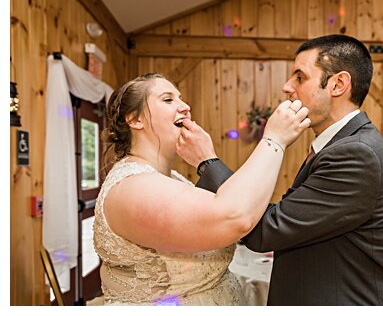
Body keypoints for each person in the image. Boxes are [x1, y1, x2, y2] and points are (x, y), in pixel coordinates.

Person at [176, 35, 383, 305]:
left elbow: (267, 230)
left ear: (338, 84)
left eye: (300, 77)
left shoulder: (357, 154)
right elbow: (292, 216)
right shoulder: (342, 146)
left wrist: (207, 162)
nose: (287, 87)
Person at [92, 74, 312, 305]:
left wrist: (207, 159)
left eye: (181, 98)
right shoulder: (132, 188)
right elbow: (234, 217)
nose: (185, 107)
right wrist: (274, 139)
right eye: (168, 100)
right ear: (135, 120)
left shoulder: (171, 178)